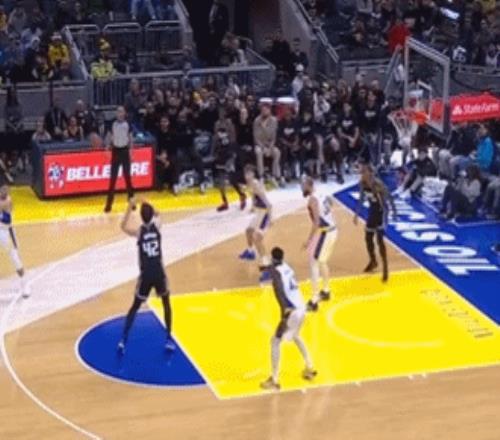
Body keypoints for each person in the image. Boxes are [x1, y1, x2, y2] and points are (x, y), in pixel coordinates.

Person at [117, 198, 174, 353]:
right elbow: (158, 212)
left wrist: (130, 206)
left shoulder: (139, 232)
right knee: (166, 303)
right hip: (159, 272)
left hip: (146, 274)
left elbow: (122, 226)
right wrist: (146, 200)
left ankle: (123, 340)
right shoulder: (157, 226)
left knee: (135, 307)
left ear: (141, 217)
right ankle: (169, 339)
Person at [260, 247, 317, 391]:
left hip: (290, 311)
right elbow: (275, 269)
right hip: (302, 308)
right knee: (296, 336)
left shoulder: (276, 274)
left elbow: (280, 292)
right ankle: (309, 367)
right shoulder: (287, 267)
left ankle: (274, 380)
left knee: (275, 341)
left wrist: (284, 315)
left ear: (272, 258)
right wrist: (266, 268)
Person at [354, 164, 396, 282]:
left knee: (379, 240)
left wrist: (394, 211)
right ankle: (373, 261)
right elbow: (361, 198)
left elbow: (389, 197)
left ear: (370, 173)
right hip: (372, 211)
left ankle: (385, 268)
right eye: (361, 173)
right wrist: (356, 214)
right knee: (368, 238)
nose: (361, 175)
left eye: (363, 172)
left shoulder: (378, 184)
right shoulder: (362, 184)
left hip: (381, 212)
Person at [301, 177, 337, 312]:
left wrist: (308, 240)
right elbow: (331, 203)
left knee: (314, 263)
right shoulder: (322, 192)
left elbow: (316, 222)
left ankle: (314, 300)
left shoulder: (313, 200)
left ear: (309, 185)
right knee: (322, 262)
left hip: (326, 232)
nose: (301, 188)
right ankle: (326, 291)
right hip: (331, 230)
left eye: (303, 185)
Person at [239, 165, 273, 283]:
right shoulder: (250, 184)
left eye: (249, 173)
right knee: (248, 231)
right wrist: (252, 207)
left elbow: (269, 204)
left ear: (253, 174)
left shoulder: (256, 184)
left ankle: (267, 268)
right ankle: (250, 252)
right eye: (245, 173)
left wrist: (271, 219)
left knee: (257, 239)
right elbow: (254, 197)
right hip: (259, 212)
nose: (247, 176)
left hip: (265, 213)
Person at [0, 182, 28, 298]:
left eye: (5, 191)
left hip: (6, 231)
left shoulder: (7, 201)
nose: (4, 192)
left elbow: (7, 220)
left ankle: (24, 285)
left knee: (15, 258)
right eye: (2, 190)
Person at [104, 106, 135, 213]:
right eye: (118, 111)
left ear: (124, 113)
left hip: (125, 151)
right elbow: (109, 135)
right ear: (116, 113)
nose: (119, 113)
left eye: (121, 111)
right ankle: (109, 204)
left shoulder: (128, 124)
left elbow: (130, 138)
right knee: (113, 179)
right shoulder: (112, 123)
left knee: (128, 178)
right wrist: (107, 146)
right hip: (116, 151)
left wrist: (131, 152)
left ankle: (132, 202)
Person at [213, 125, 247, 212]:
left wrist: (232, 163)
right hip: (222, 164)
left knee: (233, 181)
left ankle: (241, 195)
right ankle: (225, 202)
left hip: (231, 165)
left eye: (222, 133)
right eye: (219, 134)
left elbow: (235, 154)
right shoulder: (218, 144)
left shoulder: (232, 143)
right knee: (221, 184)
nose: (220, 135)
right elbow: (216, 154)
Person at [254, 99, 282, 185]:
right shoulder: (257, 121)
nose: (264, 111)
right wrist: (263, 148)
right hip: (260, 144)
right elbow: (256, 138)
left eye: (266, 110)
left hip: (269, 144)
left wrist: (270, 148)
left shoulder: (274, 120)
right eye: (263, 110)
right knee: (258, 152)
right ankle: (261, 176)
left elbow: (274, 137)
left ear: (269, 110)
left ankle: (273, 175)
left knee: (277, 152)